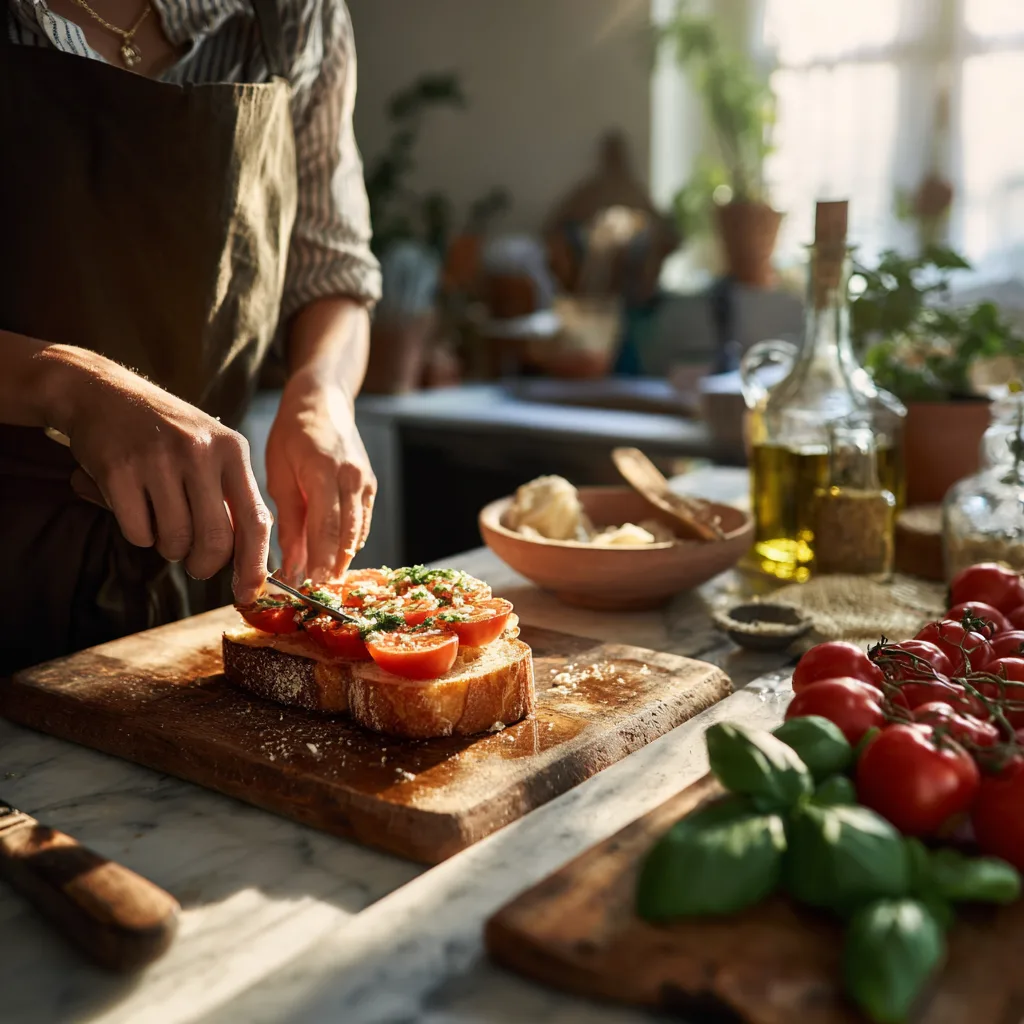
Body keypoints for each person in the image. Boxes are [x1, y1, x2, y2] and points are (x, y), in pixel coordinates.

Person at [0, 0, 381, 673]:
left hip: (199, 562)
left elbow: (333, 267)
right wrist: (64, 383)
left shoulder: (294, 13)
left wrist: (320, 393)